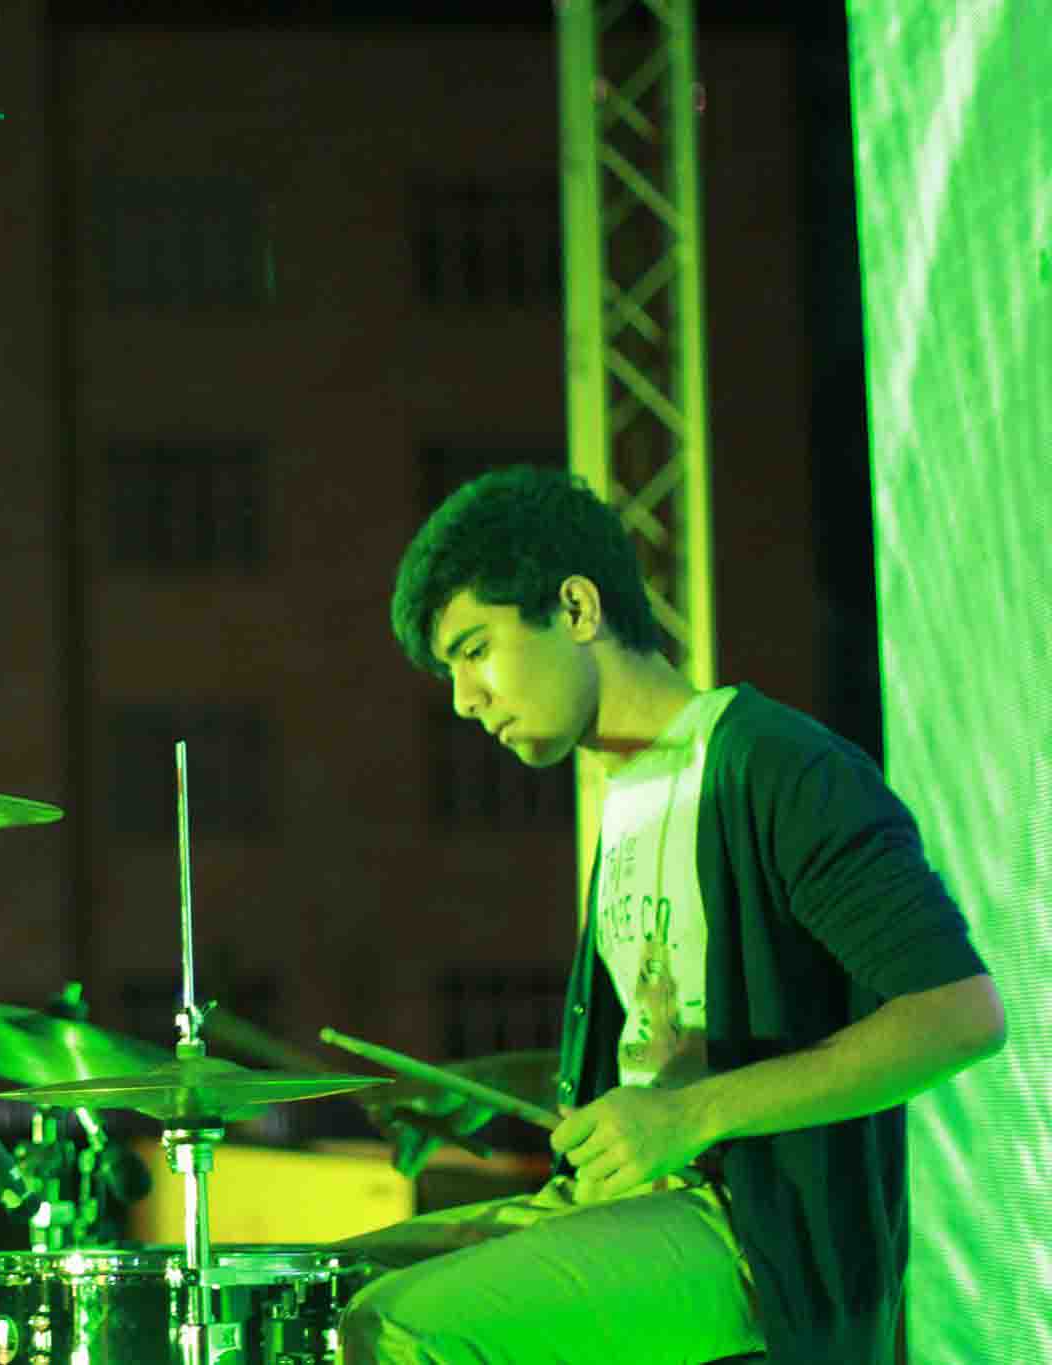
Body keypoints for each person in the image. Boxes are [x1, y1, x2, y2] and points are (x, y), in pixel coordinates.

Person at [338, 466, 1005, 1364]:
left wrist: (688, 1118)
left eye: (474, 649)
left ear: (576, 608)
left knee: (395, 1329)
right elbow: (673, 1049)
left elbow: (961, 1015)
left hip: (754, 1241)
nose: (464, 698)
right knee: (320, 1285)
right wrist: (491, 1084)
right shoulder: (626, 801)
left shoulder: (778, 769)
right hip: (637, 1205)